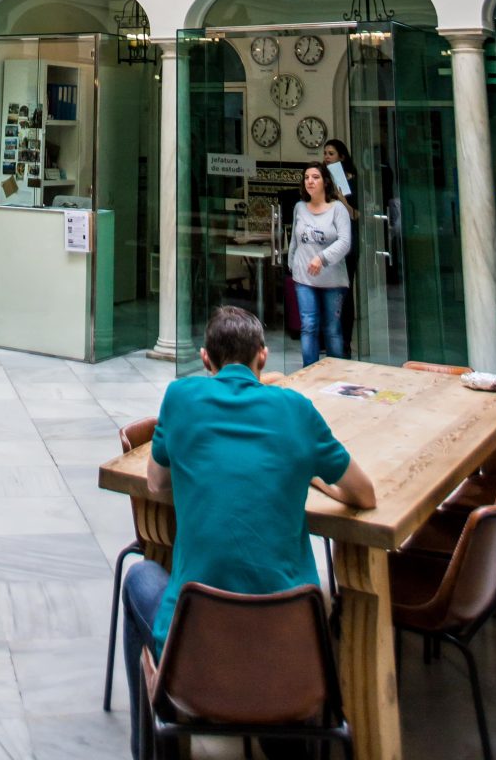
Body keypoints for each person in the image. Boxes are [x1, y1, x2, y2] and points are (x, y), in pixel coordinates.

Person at [120, 305, 375, 756]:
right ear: (263, 356)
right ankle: (283, 733)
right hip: (294, 651)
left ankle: (156, 745)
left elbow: (156, 483)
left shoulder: (180, 398)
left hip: (194, 649)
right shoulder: (296, 410)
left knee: (140, 575)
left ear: (205, 359)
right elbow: (365, 494)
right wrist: (315, 479)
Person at [290, 163, 352, 367]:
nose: (310, 181)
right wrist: (292, 265)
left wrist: (321, 258)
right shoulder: (299, 207)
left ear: (325, 181)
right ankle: (309, 371)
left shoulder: (338, 209)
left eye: (315, 177)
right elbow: (295, 240)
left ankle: (335, 372)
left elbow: (345, 242)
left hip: (332, 280)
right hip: (304, 278)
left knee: (332, 328)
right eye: (307, 177)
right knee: (308, 326)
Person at [323, 139, 360, 357]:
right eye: (325, 153)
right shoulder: (323, 179)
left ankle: (344, 341)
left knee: (344, 291)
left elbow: (356, 214)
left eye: (331, 153)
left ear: (342, 157)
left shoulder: (352, 182)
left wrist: (341, 199)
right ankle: (329, 338)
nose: (327, 157)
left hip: (347, 243)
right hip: (327, 241)